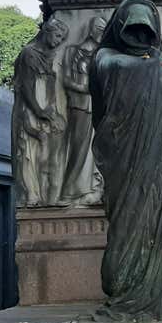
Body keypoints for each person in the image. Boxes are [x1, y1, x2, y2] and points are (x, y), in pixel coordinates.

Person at [89, 0, 162, 321]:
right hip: (123, 158)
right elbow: (113, 72)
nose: (139, 36)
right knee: (125, 227)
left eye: (145, 30)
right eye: (133, 29)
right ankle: (124, 293)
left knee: (159, 221)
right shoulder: (105, 58)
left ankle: (161, 298)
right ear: (120, 28)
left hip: (160, 161)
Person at [12, 18, 68, 206]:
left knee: (48, 153)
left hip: (46, 109)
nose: (59, 41)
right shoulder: (29, 53)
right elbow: (26, 88)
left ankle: (49, 196)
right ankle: (32, 195)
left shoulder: (49, 55)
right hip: (30, 109)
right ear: (46, 31)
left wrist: (51, 111)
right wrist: (39, 110)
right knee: (29, 152)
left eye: (62, 39)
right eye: (58, 36)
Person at [61, 16, 106, 204]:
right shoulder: (75, 51)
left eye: (104, 30)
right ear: (91, 29)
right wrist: (86, 89)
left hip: (100, 109)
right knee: (80, 149)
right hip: (81, 106)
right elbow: (66, 80)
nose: (102, 33)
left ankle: (95, 188)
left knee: (99, 149)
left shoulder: (104, 54)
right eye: (99, 29)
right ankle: (72, 191)